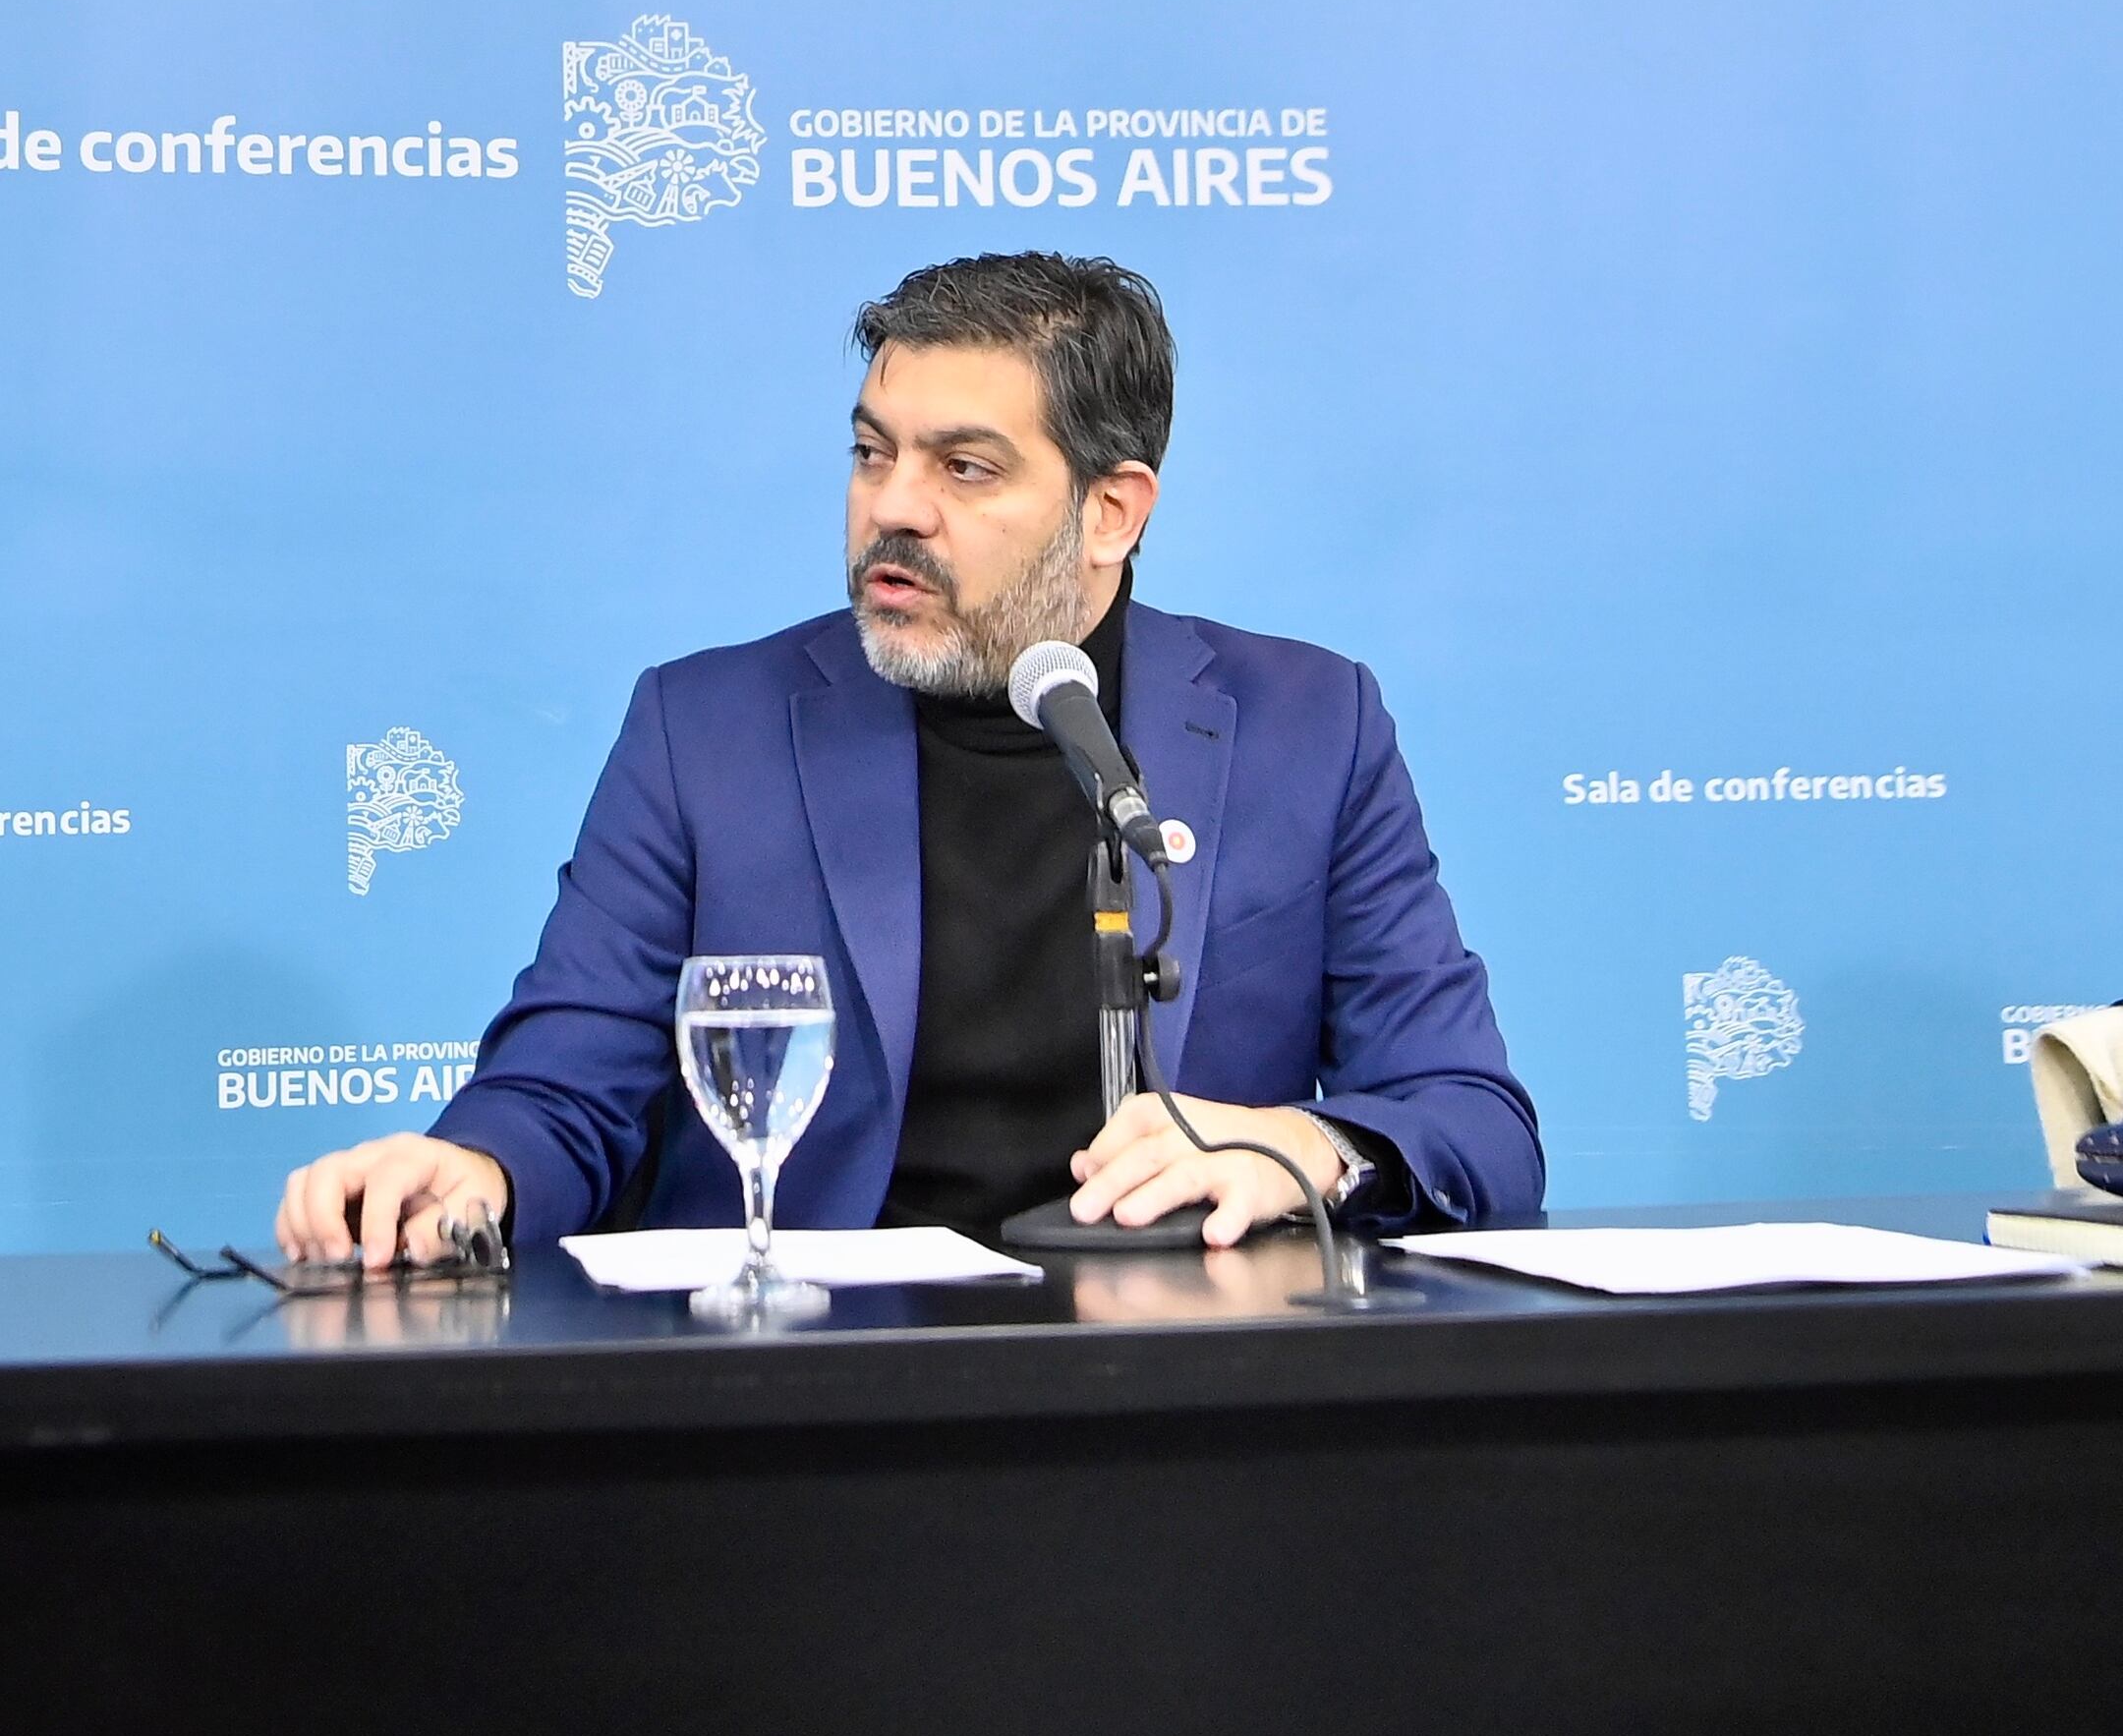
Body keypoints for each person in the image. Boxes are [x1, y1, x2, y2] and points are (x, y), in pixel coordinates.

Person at [277, 251, 1538, 1265]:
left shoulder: (1306, 725)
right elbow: (566, 1084)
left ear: (1111, 511)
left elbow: (1470, 1121)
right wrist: (477, 1169)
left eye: (964, 467)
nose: (893, 506)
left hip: (1179, 1401)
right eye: (872, 451)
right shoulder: (707, 729)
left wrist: (1299, 1150)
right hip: (815, 1399)